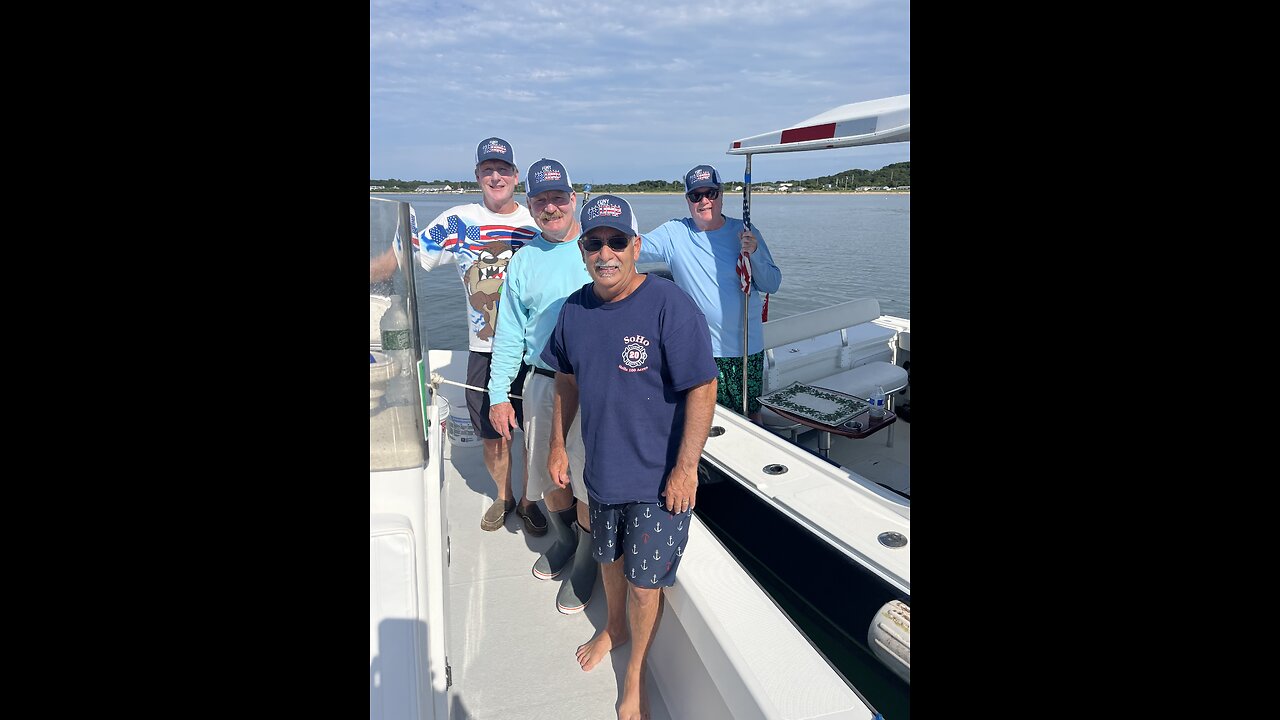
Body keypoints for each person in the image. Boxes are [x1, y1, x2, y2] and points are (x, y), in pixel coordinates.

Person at [542, 194, 718, 720]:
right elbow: (566, 380)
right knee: (609, 562)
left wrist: (686, 468)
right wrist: (556, 444)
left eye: (617, 241)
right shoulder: (574, 309)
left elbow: (703, 387)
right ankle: (612, 626)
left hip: (660, 480)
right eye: (594, 242)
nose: (606, 252)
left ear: (635, 246)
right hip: (603, 471)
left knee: (646, 586)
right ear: (582, 250)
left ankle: (635, 673)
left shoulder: (668, 304)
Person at [369, 137, 548, 537]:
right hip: (484, 349)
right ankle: (504, 497)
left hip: (535, 350)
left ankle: (530, 500)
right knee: (491, 433)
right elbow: (401, 257)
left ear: (516, 177)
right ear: (478, 176)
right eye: (488, 170)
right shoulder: (458, 220)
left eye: (503, 169)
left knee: (536, 432)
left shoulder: (538, 222)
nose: (496, 176)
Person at [487, 158, 598, 614]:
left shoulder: (599, 246)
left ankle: (588, 561)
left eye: (558, 198)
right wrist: (498, 394)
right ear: (529, 207)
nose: (551, 208)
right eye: (540, 201)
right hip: (542, 383)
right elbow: (510, 333)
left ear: (574, 199)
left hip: (597, 386)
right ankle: (566, 540)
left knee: (589, 481)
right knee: (546, 474)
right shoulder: (524, 261)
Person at [638, 164, 782, 422]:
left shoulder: (745, 231)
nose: (704, 201)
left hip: (746, 349)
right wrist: (591, 233)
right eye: (696, 196)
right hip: (700, 351)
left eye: (711, 193)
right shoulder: (674, 233)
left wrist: (755, 252)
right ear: (688, 200)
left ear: (721, 195)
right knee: (702, 421)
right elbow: (632, 248)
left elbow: (772, 283)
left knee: (751, 417)